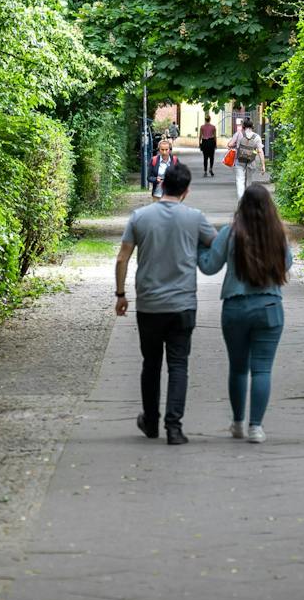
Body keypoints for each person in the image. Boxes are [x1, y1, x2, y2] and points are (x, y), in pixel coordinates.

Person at [115, 159, 215, 445]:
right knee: (179, 364)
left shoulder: (139, 217)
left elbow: (123, 257)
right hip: (183, 304)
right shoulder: (194, 218)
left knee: (151, 363)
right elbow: (216, 244)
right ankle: (174, 427)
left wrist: (120, 295)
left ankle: (150, 421)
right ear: (187, 190)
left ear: (162, 184)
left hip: (149, 305)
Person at [197, 183, 291, 443]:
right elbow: (287, 263)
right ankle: (256, 428)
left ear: (242, 206)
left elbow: (208, 266)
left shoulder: (230, 234)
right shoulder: (277, 235)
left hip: (236, 308)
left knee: (238, 368)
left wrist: (199, 246)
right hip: (270, 308)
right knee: (262, 370)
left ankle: (238, 423)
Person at [227, 118, 266, 199]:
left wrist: (235, 145)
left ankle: (241, 201)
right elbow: (260, 151)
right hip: (251, 162)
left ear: (243, 126)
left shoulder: (238, 134)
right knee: (248, 182)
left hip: (239, 161)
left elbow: (230, 144)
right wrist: (263, 165)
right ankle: (248, 202)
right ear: (252, 126)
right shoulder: (257, 137)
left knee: (240, 181)